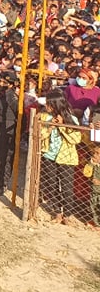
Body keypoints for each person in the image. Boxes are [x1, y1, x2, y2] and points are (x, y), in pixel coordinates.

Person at [39, 89, 83, 224]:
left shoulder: (72, 119)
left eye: (48, 103)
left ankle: (68, 214)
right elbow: (40, 135)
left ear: (55, 105)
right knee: (51, 185)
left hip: (66, 158)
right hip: (49, 156)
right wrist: (50, 127)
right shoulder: (45, 117)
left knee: (66, 188)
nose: (46, 106)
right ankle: (57, 212)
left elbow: (76, 139)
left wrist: (62, 126)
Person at [0, 70, 19, 195]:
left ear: (11, 84)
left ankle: (2, 184)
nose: (0, 84)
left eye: (4, 82)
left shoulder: (12, 97)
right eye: (0, 81)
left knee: (5, 156)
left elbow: (19, 114)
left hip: (6, 126)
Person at [84, 145, 100, 229]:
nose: (94, 155)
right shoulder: (93, 165)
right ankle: (96, 222)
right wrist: (90, 164)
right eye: (93, 153)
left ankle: (98, 225)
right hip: (94, 191)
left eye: (97, 153)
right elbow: (86, 174)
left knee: (98, 207)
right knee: (93, 206)